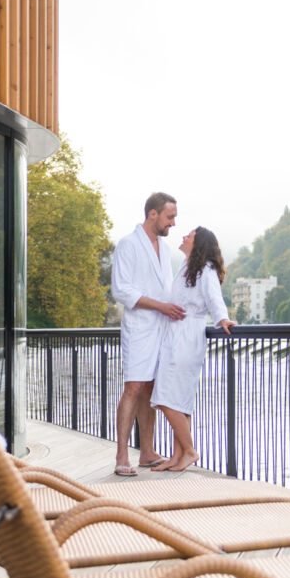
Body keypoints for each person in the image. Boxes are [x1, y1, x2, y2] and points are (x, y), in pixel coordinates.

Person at [110, 192, 186, 476]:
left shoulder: (164, 250)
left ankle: (146, 452)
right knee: (133, 388)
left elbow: (167, 288)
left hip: (162, 328)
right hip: (140, 328)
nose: (173, 223)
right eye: (170, 217)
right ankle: (120, 455)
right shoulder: (128, 245)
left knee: (152, 389)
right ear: (153, 214)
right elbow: (121, 290)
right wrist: (160, 306)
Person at [149, 227, 236, 472]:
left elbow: (213, 297)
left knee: (166, 397)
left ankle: (189, 450)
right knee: (179, 398)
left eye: (189, 235)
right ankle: (178, 456)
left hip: (187, 337)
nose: (184, 237)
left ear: (198, 243)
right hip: (176, 335)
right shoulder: (187, 266)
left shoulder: (205, 269)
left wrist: (223, 319)